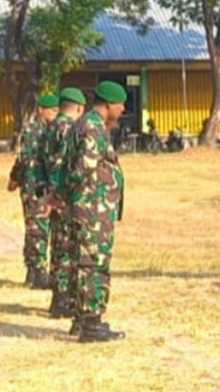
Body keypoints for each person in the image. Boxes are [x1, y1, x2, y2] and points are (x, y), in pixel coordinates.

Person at [64, 81, 127, 342]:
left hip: (91, 207)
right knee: (93, 264)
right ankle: (91, 323)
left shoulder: (89, 124)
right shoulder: (92, 126)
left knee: (85, 263)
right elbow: (83, 166)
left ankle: (83, 320)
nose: (123, 109)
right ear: (109, 104)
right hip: (92, 209)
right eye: (121, 104)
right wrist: (69, 193)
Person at [7, 93, 59, 289]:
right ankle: (37, 272)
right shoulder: (33, 130)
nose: (54, 114)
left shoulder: (51, 129)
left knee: (37, 228)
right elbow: (23, 159)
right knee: (37, 229)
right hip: (34, 186)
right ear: (41, 110)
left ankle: (34, 271)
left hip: (43, 186)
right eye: (51, 110)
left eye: (56, 110)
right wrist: (15, 180)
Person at [43, 87, 86, 319]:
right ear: (78, 108)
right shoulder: (69, 129)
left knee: (57, 245)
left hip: (51, 193)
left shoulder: (49, 128)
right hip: (64, 197)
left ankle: (58, 298)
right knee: (67, 249)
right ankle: (63, 299)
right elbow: (64, 165)